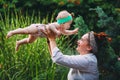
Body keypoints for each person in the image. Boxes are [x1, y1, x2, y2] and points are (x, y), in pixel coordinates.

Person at [6, 10, 78, 51]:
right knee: (26, 31)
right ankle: (13, 32)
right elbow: (50, 25)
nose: (69, 26)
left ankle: (18, 43)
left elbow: (66, 32)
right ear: (63, 23)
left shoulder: (62, 29)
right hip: (38, 28)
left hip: (39, 34)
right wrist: (56, 32)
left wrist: (72, 32)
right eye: (69, 24)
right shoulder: (57, 25)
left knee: (29, 41)